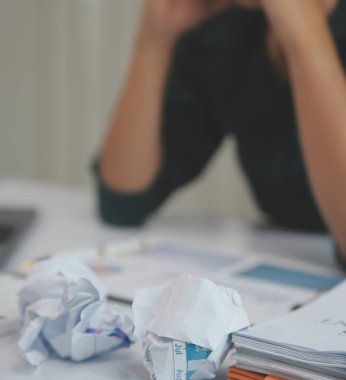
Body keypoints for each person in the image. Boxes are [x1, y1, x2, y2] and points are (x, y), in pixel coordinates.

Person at [94, 0, 346, 268]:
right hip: (283, 270)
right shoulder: (229, 26)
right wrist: (154, 40)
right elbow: (123, 202)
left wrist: (305, 34)